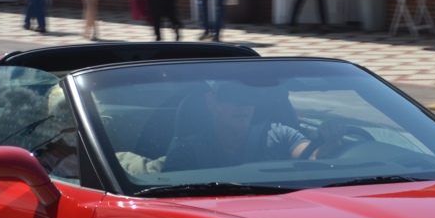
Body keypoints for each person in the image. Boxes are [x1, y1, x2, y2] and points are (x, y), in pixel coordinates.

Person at [115, 83, 345, 175]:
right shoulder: (189, 149)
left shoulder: (278, 134)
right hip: (160, 169)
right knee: (122, 164)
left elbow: (313, 156)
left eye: (248, 98)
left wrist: (330, 139)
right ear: (210, 102)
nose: (242, 105)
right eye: (232, 97)